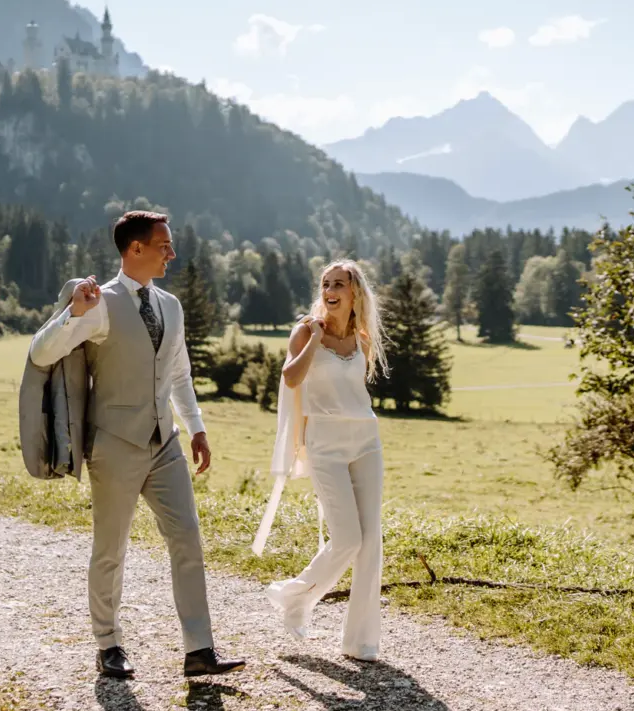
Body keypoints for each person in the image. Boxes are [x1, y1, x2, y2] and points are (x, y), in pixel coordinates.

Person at [29, 210, 244, 680]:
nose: (172, 252)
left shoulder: (171, 305)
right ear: (135, 249)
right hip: (115, 446)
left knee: (186, 535)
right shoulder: (98, 304)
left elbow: (180, 372)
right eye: (163, 244)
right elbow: (41, 352)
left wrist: (197, 428)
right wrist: (73, 314)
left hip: (164, 442)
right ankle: (108, 645)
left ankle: (199, 650)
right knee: (111, 548)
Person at [264, 259, 389, 662]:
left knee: (371, 543)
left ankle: (361, 640)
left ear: (355, 294)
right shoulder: (304, 331)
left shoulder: (362, 338)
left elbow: (356, 391)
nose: (330, 290)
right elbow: (291, 378)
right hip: (325, 444)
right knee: (348, 538)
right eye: (325, 284)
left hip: (366, 441)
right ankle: (295, 596)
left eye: (339, 284)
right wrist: (315, 338)